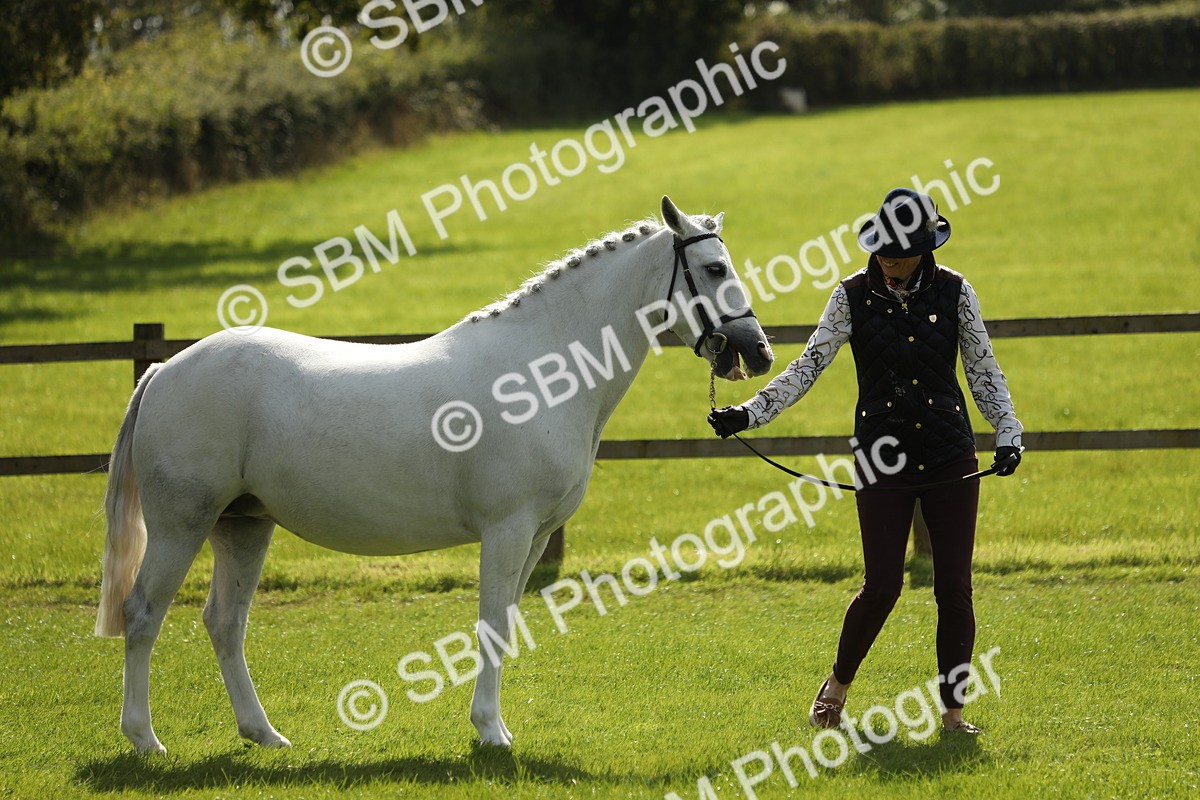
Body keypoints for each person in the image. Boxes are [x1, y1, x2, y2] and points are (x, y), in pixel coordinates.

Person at [708, 188, 1023, 734]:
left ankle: (953, 714)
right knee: (882, 586)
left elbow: (983, 369)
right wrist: (750, 413)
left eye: (898, 253)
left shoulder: (956, 292)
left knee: (954, 587)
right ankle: (837, 687)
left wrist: (1009, 431)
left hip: (950, 455)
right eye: (882, 250)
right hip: (883, 457)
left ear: (925, 249)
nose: (887, 261)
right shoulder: (850, 297)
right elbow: (808, 366)